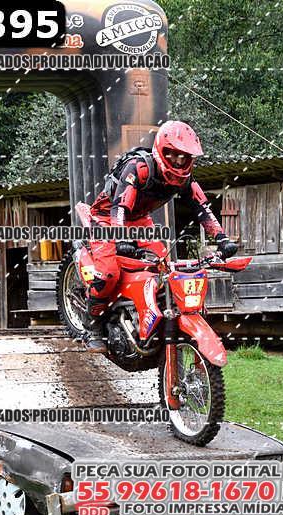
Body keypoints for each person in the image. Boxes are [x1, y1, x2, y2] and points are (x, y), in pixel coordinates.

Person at [84, 120, 238, 352]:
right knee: (108, 272)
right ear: (162, 150)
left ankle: (152, 317)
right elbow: (120, 207)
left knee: (164, 268)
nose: (178, 161)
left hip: (139, 220)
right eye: (173, 154)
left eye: (184, 156)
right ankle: (92, 324)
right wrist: (120, 238)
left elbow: (202, 209)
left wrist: (222, 238)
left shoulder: (185, 179)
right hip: (107, 217)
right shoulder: (138, 168)